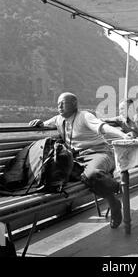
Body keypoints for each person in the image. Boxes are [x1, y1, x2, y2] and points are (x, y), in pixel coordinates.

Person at [29, 92, 129, 229]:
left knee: (91, 175)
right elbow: (43, 125)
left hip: (99, 152)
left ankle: (114, 198)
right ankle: (110, 185)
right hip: (76, 158)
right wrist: (38, 123)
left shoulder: (84, 116)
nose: (59, 106)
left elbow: (103, 127)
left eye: (63, 103)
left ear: (74, 104)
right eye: (58, 103)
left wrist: (123, 135)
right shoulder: (58, 119)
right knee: (52, 177)